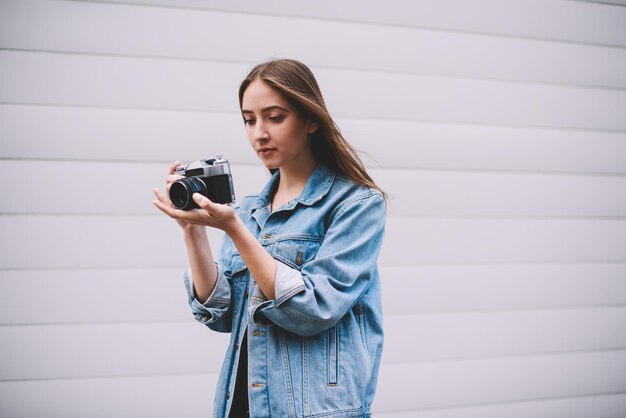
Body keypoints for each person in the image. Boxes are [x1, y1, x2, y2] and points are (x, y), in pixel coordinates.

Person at [153, 59, 387, 418]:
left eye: (275, 117)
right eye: (249, 119)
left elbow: (315, 308)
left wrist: (234, 229)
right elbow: (222, 315)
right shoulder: (248, 211)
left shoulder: (356, 204)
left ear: (311, 120)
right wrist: (193, 231)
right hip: (240, 405)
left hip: (315, 410)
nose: (259, 133)